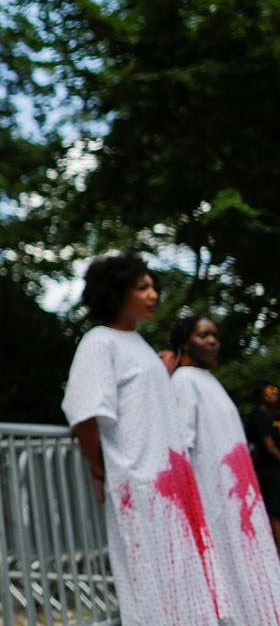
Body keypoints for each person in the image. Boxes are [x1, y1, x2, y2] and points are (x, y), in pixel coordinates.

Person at [61, 254, 223, 626]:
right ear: (117, 292)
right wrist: (101, 470)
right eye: (142, 287)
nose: (153, 294)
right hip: (140, 485)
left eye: (154, 287)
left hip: (171, 486)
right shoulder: (100, 341)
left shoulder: (139, 346)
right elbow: (84, 414)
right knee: (151, 590)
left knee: (184, 586)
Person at [170, 315, 280, 623]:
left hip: (239, 499)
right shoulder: (183, 381)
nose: (213, 341)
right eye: (204, 335)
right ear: (184, 343)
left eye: (215, 335)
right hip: (212, 496)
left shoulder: (209, 381)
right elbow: (181, 446)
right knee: (226, 568)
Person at [247, 383, 280, 553]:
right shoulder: (260, 415)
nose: (273, 396)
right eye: (268, 393)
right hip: (266, 468)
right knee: (275, 508)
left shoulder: (275, 415)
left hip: (275, 467)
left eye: (275, 392)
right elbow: (269, 446)